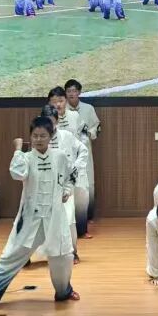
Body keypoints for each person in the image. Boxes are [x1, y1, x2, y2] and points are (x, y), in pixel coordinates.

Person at [0, 117, 81, 312]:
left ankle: (64, 292)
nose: (39, 139)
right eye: (35, 136)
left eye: (43, 136)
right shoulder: (26, 158)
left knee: (63, 258)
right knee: (9, 257)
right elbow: (17, 173)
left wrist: (67, 191)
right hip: (30, 219)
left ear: (50, 136)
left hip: (55, 219)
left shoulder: (60, 156)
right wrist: (18, 149)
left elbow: (71, 176)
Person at [36, 103, 88, 263]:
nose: (49, 126)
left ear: (57, 121)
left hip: (65, 184)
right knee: (39, 220)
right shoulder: (38, 138)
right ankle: (30, 254)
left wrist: (75, 168)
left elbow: (83, 150)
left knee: (68, 218)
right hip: (44, 184)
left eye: (52, 122)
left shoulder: (66, 136)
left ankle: (72, 252)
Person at [65, 79, 100, 231]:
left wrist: (89, 133)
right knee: (68, 183)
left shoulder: (88, 108)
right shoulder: (62, 110)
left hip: (84, 150)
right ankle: (69, 217)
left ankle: (87, 216)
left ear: (79, 92)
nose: (71, 94)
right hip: (67, 152)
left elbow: (96, 126)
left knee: (88, 183)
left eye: (74, 91)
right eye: (69, 91)